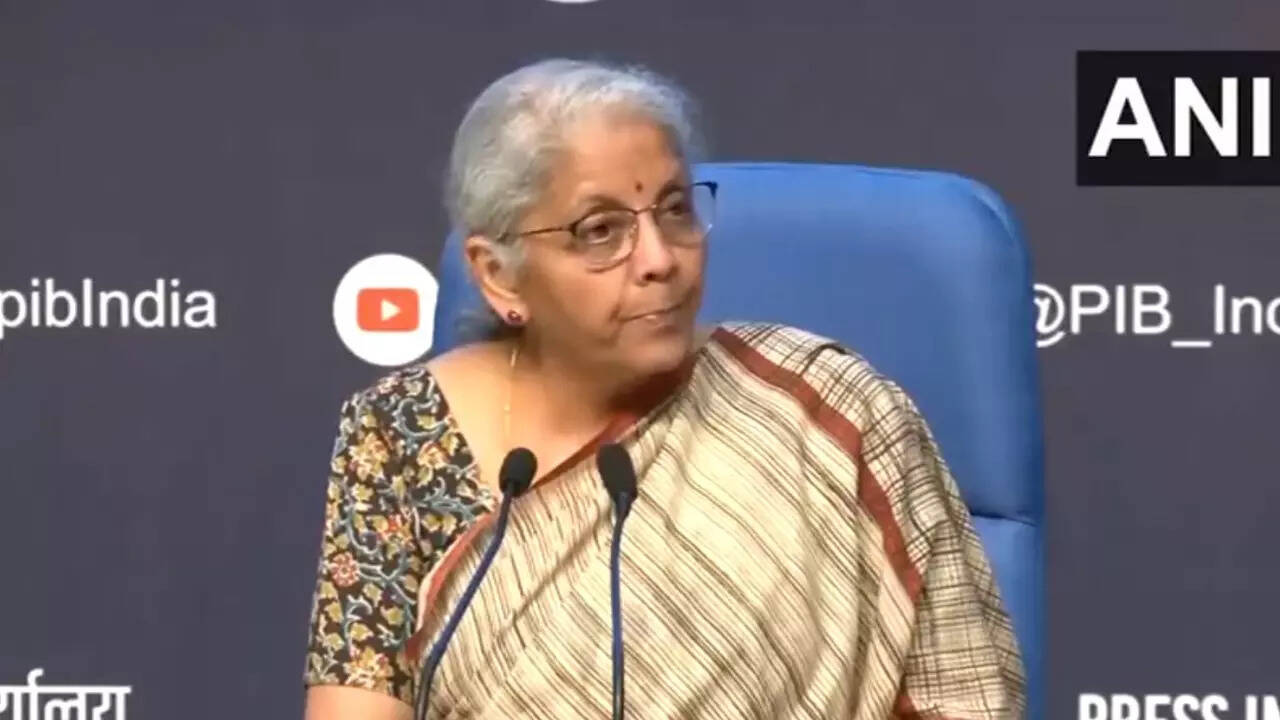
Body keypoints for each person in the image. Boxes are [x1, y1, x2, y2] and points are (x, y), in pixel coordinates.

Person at [302, 57, 1026, 719]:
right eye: (600, 230)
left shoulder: (831, 406)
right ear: (499, 276)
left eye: (676, 209)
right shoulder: (398, 436)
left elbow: (963, 699)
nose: (659, 259)